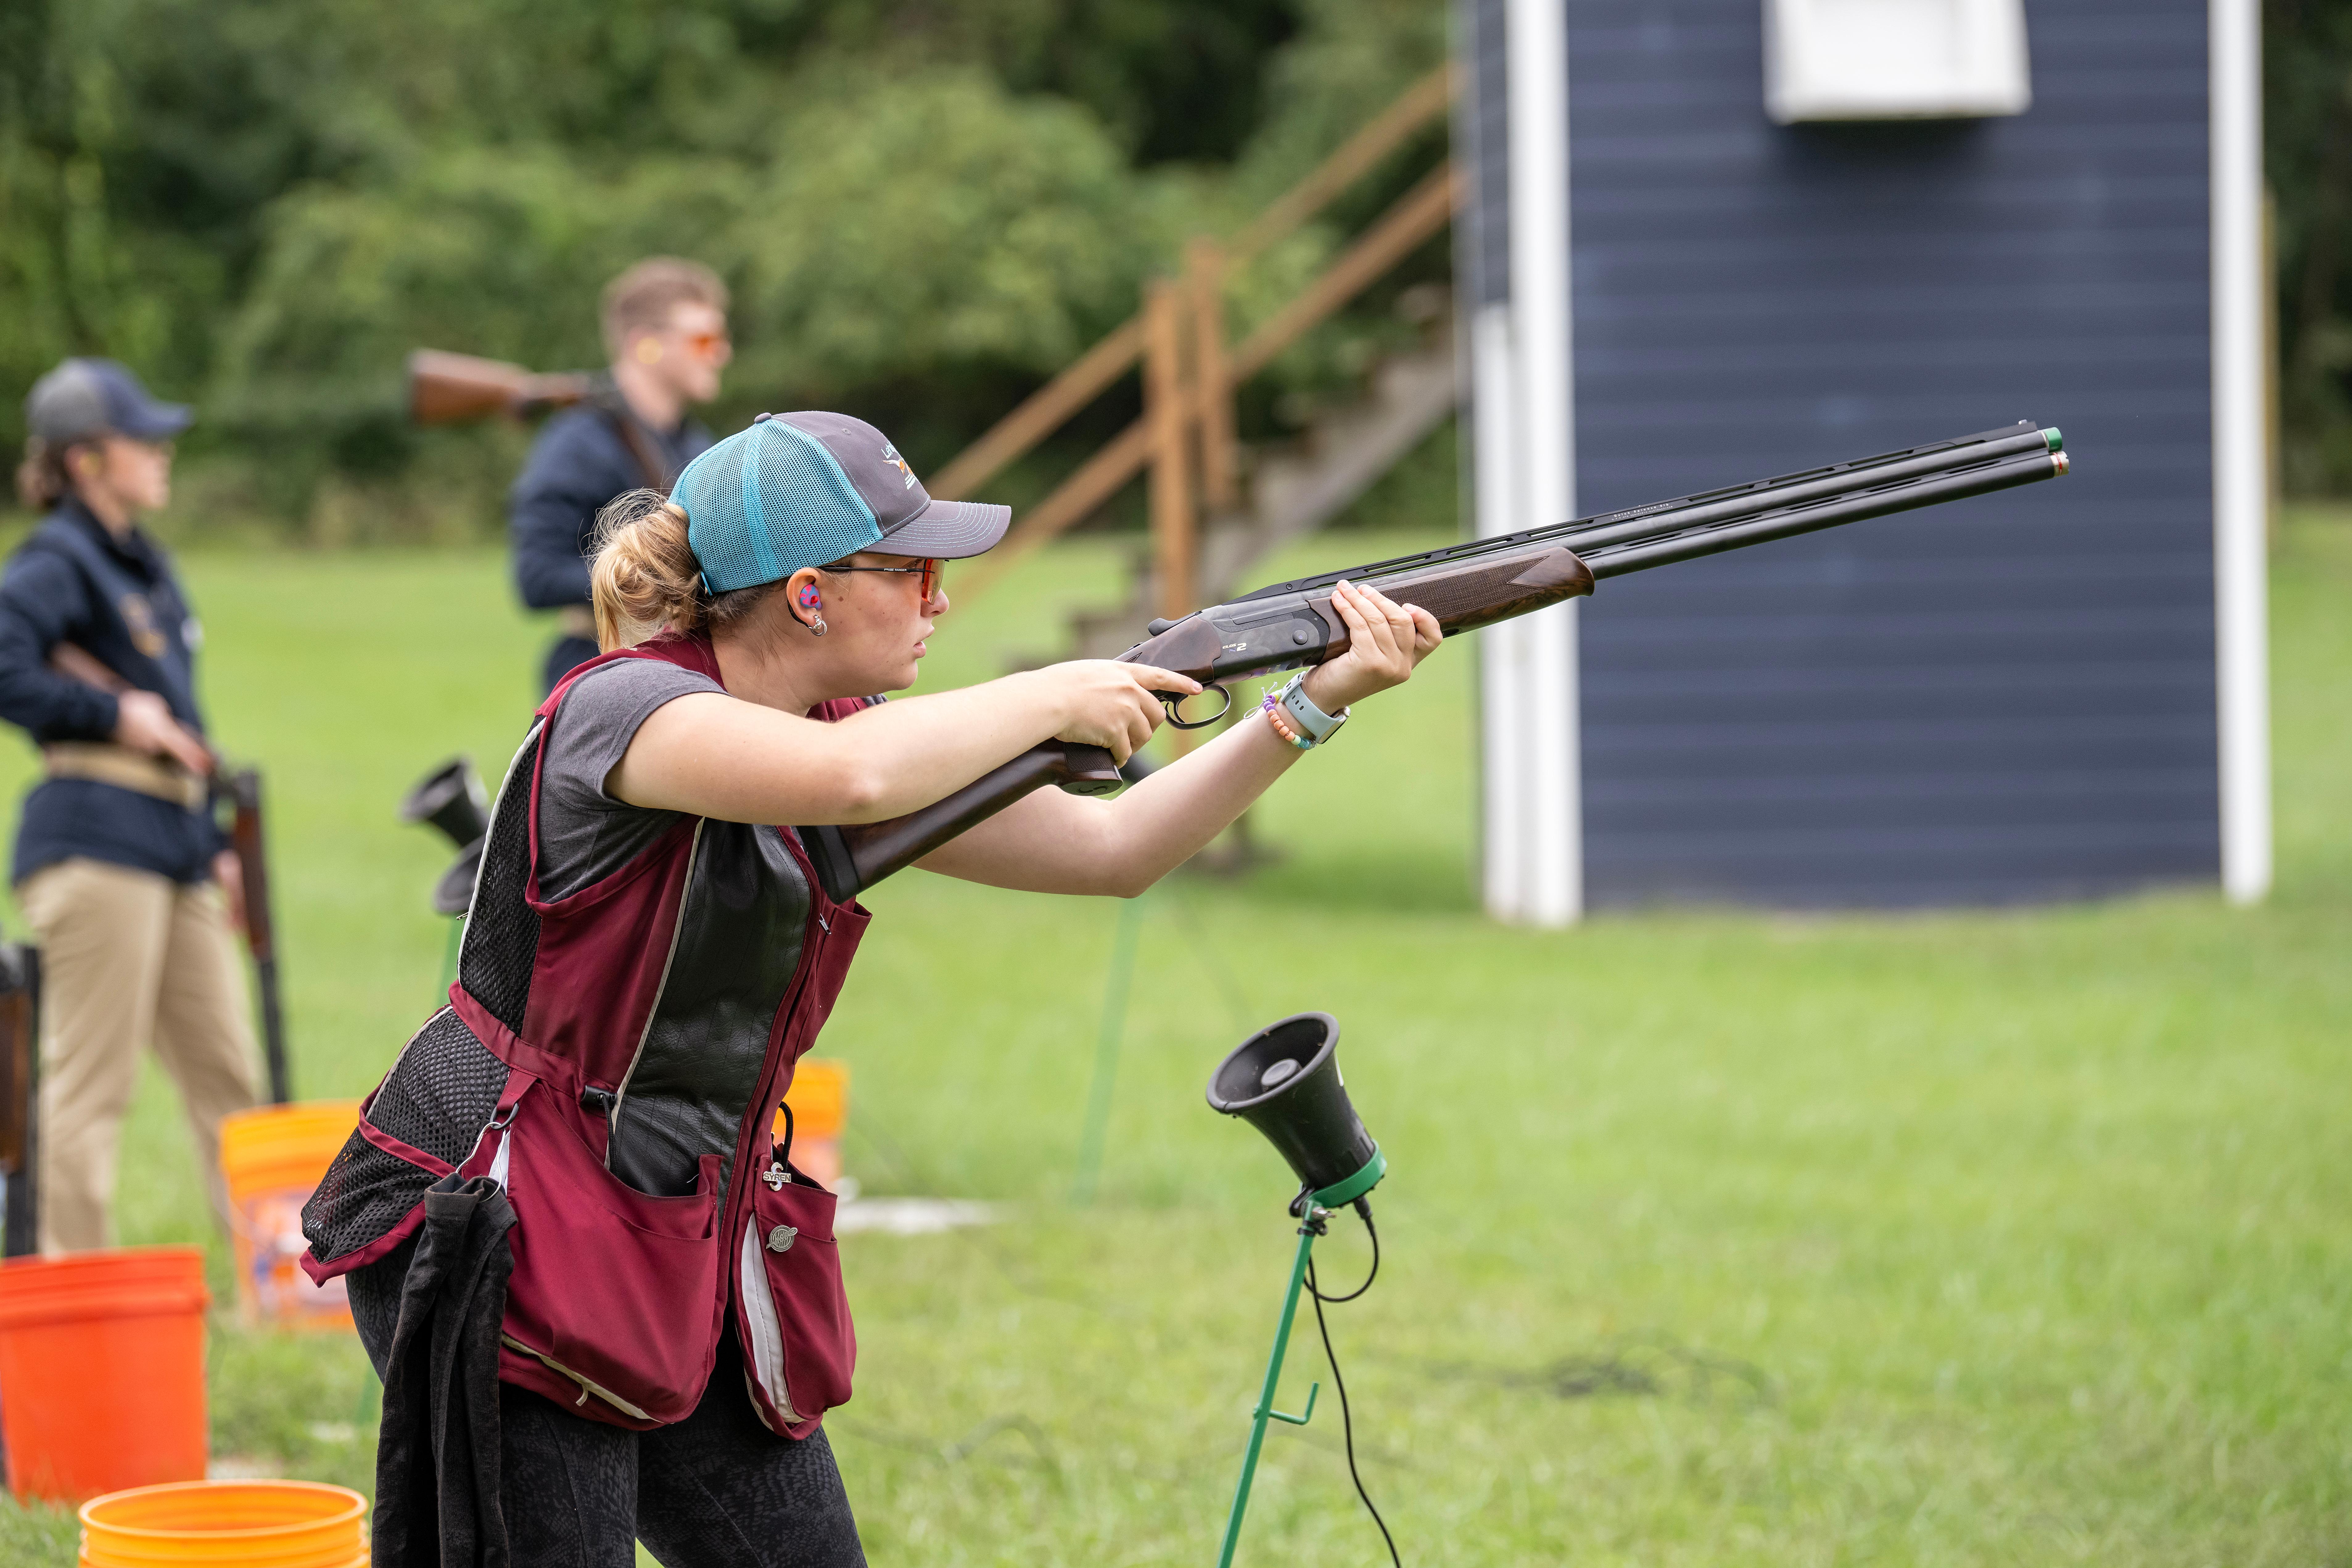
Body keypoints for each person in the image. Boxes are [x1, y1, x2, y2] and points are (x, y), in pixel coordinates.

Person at [302, 409, 1441, 1565]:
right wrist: (1057, 692)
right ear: (806, 594)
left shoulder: (831, 727)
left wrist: (1311, 705)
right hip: (510, 1217)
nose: (941, 598)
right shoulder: (626, 709)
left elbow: (1112, 853)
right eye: (913, 569)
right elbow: (853, 779)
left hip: (678, 1223)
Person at [0, 359, 257, 1255]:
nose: (161, 451)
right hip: (95, 839)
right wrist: (110, 712)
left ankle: (273, 1289)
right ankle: (77, 1298)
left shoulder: (141, 562)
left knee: (230, 1076)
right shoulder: (54, 560)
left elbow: (179, 712)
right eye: (138, 438)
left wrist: (215, 840)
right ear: (83, 461)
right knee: (91, 1089)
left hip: (172, 839)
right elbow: (9, 669)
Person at [511, 256, 730, 695]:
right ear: (645, 345)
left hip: (687, 662)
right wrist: (656, 582)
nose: (721, 352)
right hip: (602, 667)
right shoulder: (577, 443)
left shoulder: (695, 444)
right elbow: (537, 576)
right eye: (704, 339)